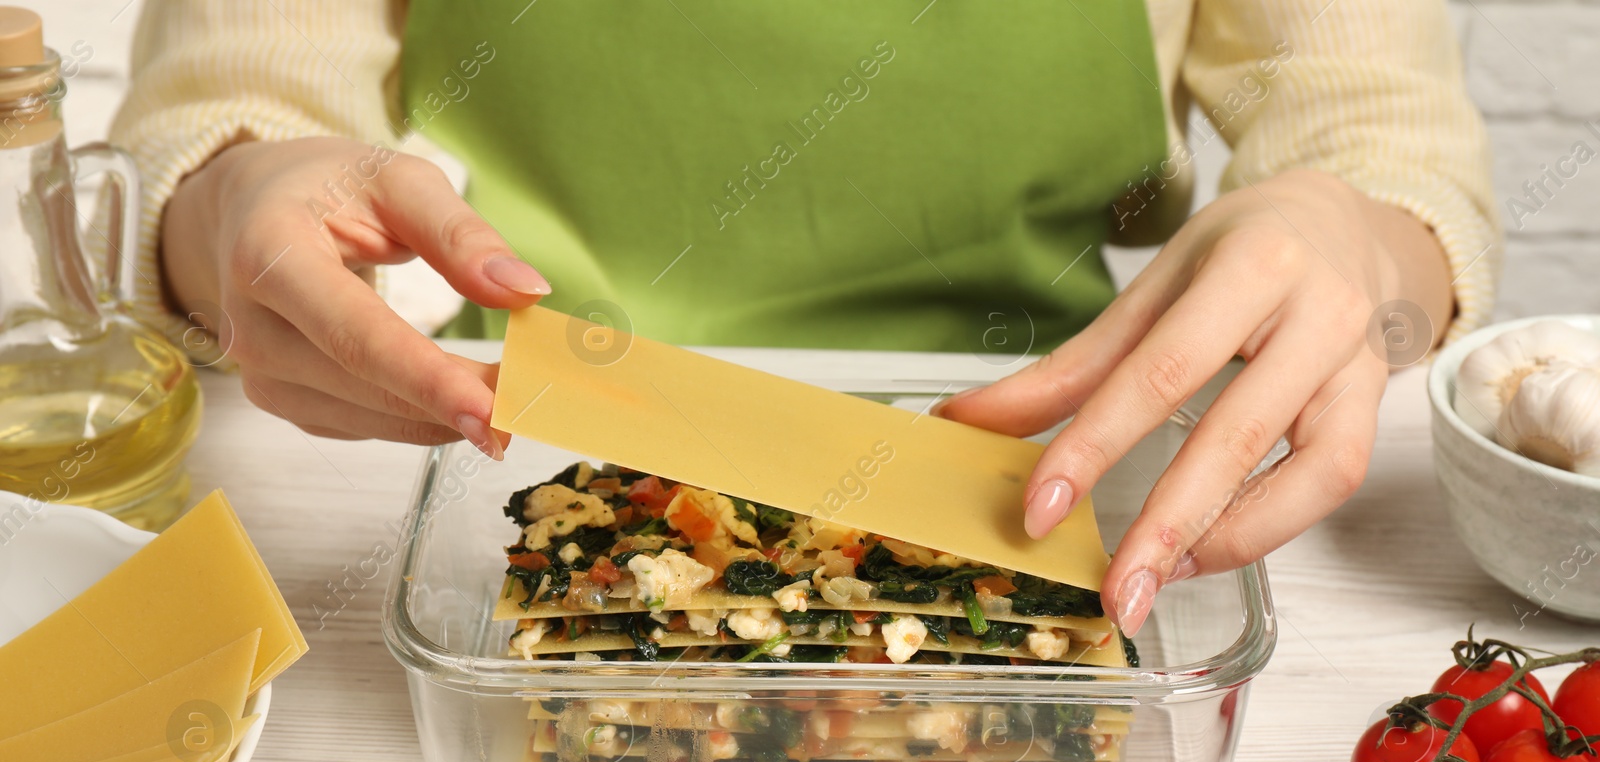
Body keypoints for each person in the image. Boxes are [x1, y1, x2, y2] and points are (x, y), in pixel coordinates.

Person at [114, 0, 1495, 636]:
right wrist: (238, 197)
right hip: (518, 453)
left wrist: (1355, 245)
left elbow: (1384, 147)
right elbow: (233, 106)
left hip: (1039, 463)